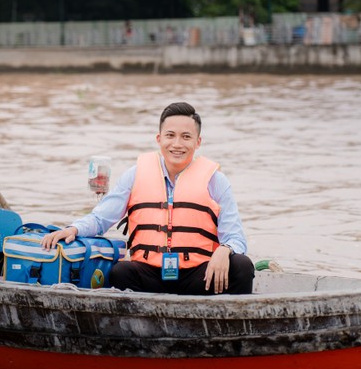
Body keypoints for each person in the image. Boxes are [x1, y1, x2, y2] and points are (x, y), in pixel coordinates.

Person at [41, 102, 254, 295]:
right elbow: (101, 218)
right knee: (120, 271)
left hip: (199, 275)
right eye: (170, 135)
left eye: (186, 137)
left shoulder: (216, 181)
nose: (177, 144)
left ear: (198, 142)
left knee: (242, 266)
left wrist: (224, 251)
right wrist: (73, 229)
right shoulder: (135, 174)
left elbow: (235, 236)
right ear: (159, 139)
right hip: (149, 273)